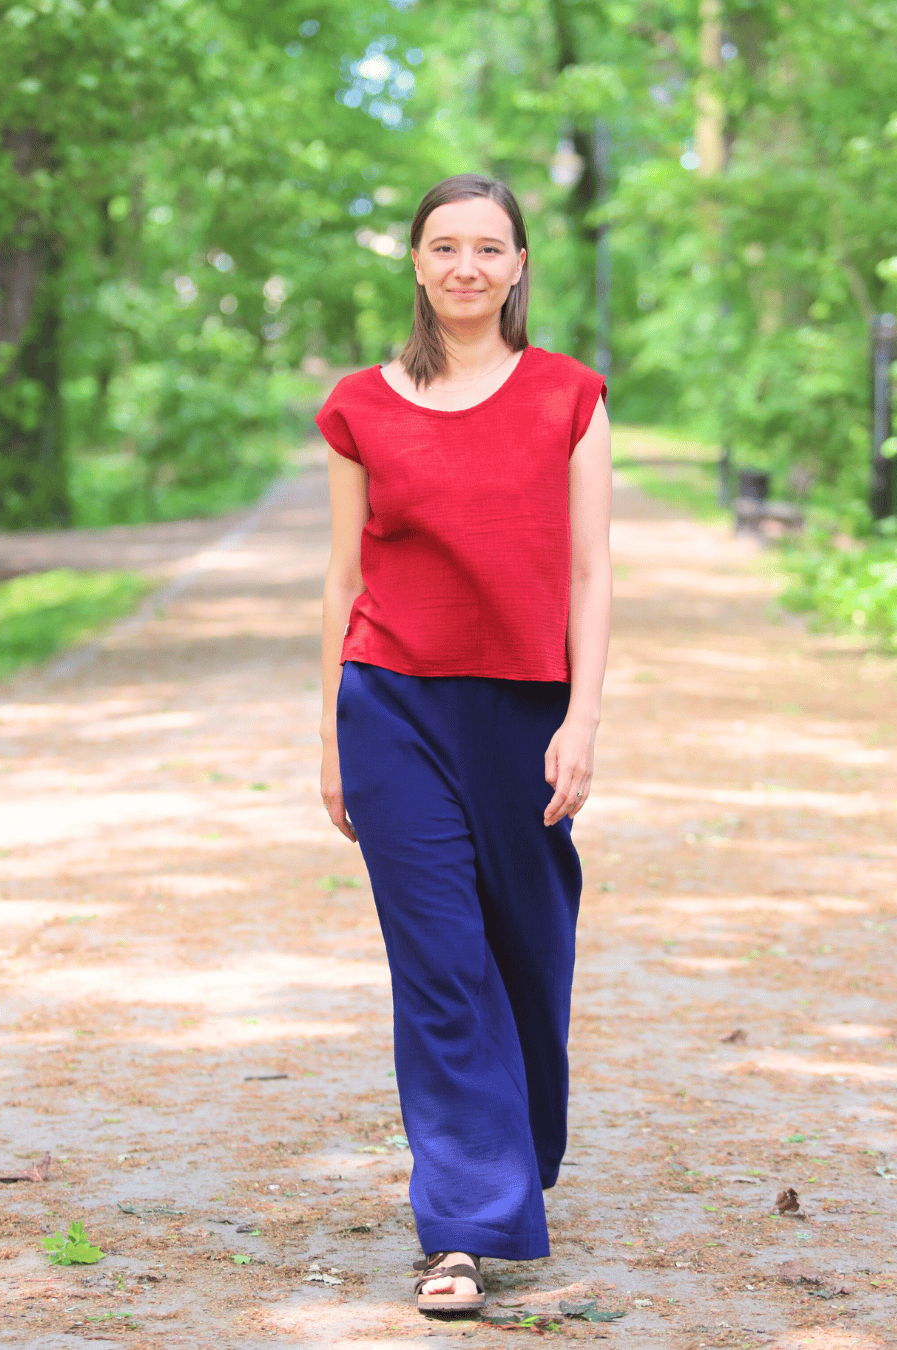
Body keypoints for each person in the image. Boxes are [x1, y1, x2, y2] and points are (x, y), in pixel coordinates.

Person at [316, 173, 612, 1314]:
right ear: (417, 262)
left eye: (489, 248)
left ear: (519, 265)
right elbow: (342, 580)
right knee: (439, 965)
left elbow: (590, 572)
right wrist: (330, 737)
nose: (467, 267)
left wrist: (582, 719)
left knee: (530, 954)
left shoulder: (569, 396)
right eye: (445, 246)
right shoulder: (360, 406)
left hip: (525, 712)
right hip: (391, 706)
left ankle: (514, 1153)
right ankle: (464, 1227)